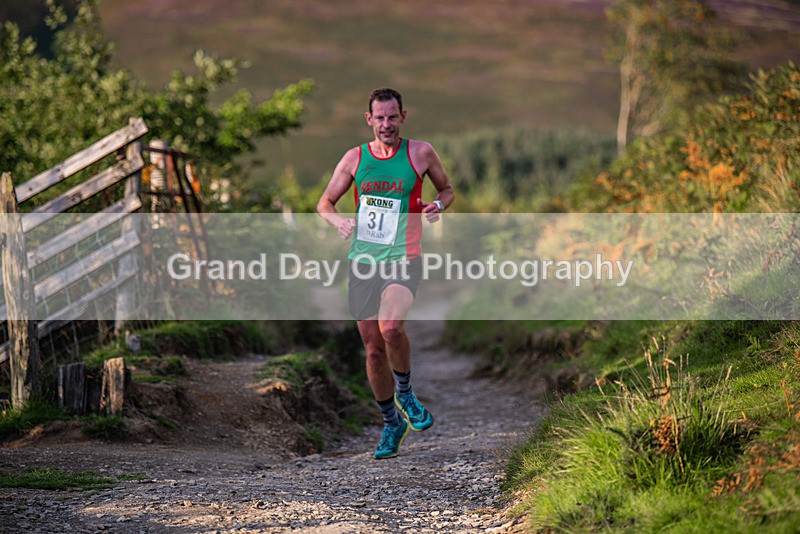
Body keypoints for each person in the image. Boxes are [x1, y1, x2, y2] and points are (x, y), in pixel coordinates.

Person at [317, 88, 455, 459]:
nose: (386, 124)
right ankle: (391, 423)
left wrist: (438, 205)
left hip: (404, 256)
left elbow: (447, 187)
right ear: (369, 120)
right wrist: (338, 222)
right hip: (364, 261)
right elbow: (324, 202)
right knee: (374, 351)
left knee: (391, 328)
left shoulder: (420, 152)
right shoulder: (354, 158)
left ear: (403, 117)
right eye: (379, 118)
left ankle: (406, 394)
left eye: (392, 117)